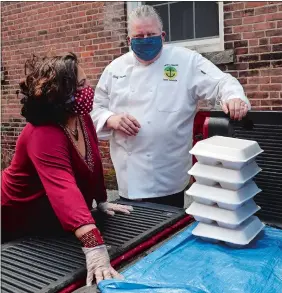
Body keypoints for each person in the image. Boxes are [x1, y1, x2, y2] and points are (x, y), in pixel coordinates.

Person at [91, 5, 251, 208]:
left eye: (151, 34)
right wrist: (111, 119)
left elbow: (221, 82)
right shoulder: (114, 69)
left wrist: (234, 97)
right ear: (129, 40)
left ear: (163, 35)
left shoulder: (186, 61)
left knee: (166, 231)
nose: (145, 39)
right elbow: (95, 110)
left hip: (169, 176)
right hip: (128, 176)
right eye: (139, 36)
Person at [1, 53, 133, 285]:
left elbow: (93, 163)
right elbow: (63, 188)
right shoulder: (42, 134)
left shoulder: (81, 118)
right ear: (61, 95)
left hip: (43, 215)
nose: (88, 88)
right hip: (12, 214)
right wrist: (94, 246)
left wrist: (101, 199)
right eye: (80, 85)